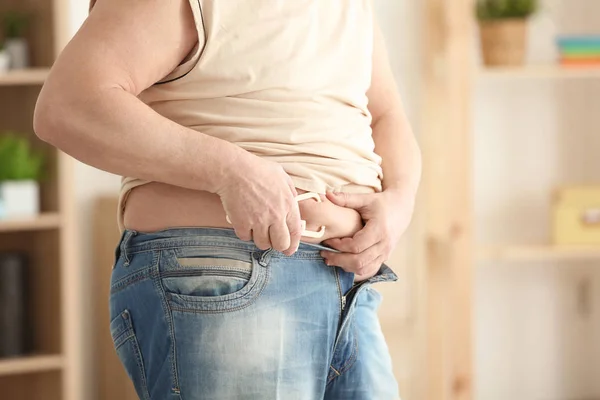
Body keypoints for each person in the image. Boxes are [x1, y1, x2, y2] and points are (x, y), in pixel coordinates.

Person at [34, 0, 421, 399]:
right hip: (228, 269)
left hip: (351, 288)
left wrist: (399, 203)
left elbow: (386, 114)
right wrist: (231, 171)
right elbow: (69, 105)